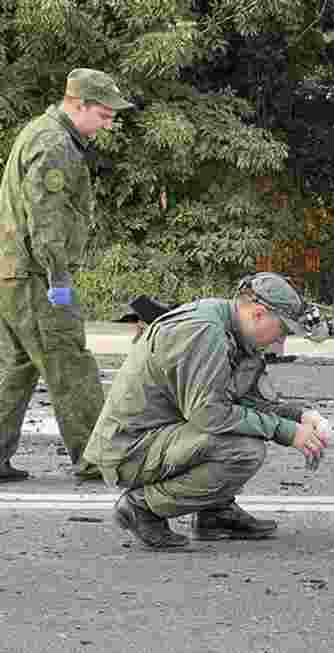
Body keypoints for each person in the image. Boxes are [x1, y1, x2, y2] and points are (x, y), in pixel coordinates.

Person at [82, 272, 331, 549]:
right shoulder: (204, 331)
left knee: (244, 428)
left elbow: (244, 399)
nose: (280, 344)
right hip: (129, 449)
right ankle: (141, 508)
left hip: (159, 437)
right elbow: (210, 414)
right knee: (243, 449)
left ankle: (215, 513)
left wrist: (300, 417)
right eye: (282, 331)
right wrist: (285, 431)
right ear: (259, 314)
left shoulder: (232, 327)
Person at [0, 68, 135, 482]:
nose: (109, 123)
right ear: (79, 105)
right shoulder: (55, 144)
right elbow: (47, 220)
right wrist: (59, 280)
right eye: (105, 114)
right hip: (37, 275)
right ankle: (98, 458)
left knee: (17, 366)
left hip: (12, 272)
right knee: (71, 365)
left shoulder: (40, 132)